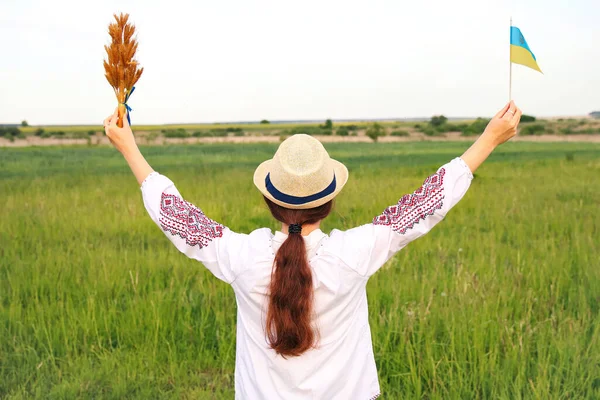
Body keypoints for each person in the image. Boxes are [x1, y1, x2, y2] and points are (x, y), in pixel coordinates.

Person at [103, 101, 522, 399]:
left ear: (269, 200)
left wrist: (128, 147)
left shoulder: (242, 258)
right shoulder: (354, 253)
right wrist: (488, 139)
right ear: (330, 201)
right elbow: (424, 204)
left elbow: (173, 214)